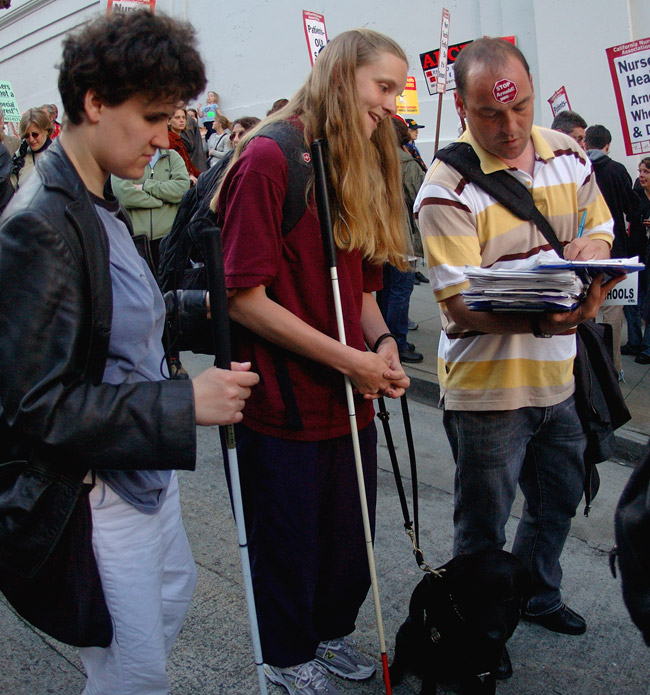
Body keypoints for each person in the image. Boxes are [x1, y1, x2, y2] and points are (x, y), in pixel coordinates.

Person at [0, 11, 258, 695]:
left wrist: (195, 309)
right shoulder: (39, 224)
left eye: (170, 117)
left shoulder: (96, 193)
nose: (164, 135)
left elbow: (108, 315)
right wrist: (186, 401)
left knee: (173, 594)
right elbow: (40, 408)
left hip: (139, 472)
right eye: (151, 116)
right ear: (93, 103)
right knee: (133, 668)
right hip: (98, 494)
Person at [214, 27, 410, 695]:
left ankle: (328, 633)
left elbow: (362, 290)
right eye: (382, 86)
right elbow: (244, 297)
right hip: (283, 399)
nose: (390, 103)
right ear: (342, 74)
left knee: (348, 542)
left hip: (348, 396)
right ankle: (288, 650)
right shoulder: (272, 156)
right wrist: (349, 359)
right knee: (288, 542)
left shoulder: (355, 155)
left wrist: (380, 347)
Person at [415, 37, 619, 675]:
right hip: (487, 394)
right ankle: (478, 631)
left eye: (521, 109)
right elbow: (459, 308)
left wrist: (591, 259)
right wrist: (552, 313)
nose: (508, 128)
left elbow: (601, 226)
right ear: (462, 107)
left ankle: (536, 594)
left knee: (557, 500)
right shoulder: (444, 188)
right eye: (489, 115)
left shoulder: (568, 154)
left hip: (561, 380)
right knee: (483, 524)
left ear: (535, 92)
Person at [584, 124, 644, 374]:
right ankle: (612, 372)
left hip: (583, 254)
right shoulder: (618, 171)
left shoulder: (578, 169)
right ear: (608, 145)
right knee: (612, 315)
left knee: (585, 315)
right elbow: (633, 209)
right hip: (615, 254)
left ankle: (586, 372)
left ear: (585, 144)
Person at [377, 116, 424, 363]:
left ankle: (383, 339)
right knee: (399, 291)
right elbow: (420, 200)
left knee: (385, 289)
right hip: (400, 236)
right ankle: (397, 342)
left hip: (379, 235)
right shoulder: (406, 162)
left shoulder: (373, 159)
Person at [111, 146, 190, 269]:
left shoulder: (172, 156)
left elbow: (182, 188)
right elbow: (123, 193)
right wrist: (158, 201)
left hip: (168, 239)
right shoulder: (123, 158)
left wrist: (146, 186)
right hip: (136, 241)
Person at [629, 157, 650, 363]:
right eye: (640, 171)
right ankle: (634, 341)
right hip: (635, 253)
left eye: (646, 172)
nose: (642, 175)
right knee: (632, 300)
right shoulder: (635, 195)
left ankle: (647, 348)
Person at [10, 107, 53, 189]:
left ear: (46, 130)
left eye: (35, 134)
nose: (31, 139)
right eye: (26, 135)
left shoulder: (60, 153)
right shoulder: (19, 157)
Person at [167, 105, 201, 183]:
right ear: (168, 121)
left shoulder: (179, 140)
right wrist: (189, 175)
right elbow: (173, 166)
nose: (181, 120)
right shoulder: (169, 140)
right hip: (179, 182)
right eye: (177, 117)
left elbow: (190, 167)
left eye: (183, 117)